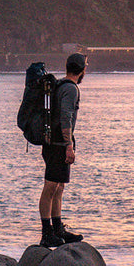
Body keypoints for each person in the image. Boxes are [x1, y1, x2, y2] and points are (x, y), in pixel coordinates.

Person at [38, 53, 88, 247]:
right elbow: (66, 117)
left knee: (58, 187)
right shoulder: (70, 89)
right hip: (58, 144)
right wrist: (69, 145)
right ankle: (46, 233)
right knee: (50, 187)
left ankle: (58, 229)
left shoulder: (60, 85)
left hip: (55, 143)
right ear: (81, 70)